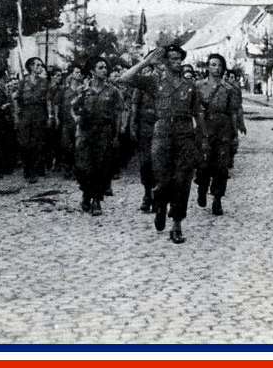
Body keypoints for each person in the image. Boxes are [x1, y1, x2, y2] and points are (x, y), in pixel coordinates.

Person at [119, 43, 207, 244]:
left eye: (179, 59)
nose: (177, 62)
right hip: (162, 132)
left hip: (184, 133)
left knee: (182, 180)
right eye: (173, 59)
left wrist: (203, 139)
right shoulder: (154, 81)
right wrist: (146, 62)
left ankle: (177, 224)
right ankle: (160, 204)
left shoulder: (190, 85)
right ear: (165, 61)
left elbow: (198, 114)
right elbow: (124, 78)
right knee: (162, 179)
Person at [71, 57, 124, 216]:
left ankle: (96, 200)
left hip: (104, 132)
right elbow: (73, 107)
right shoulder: (83, 90)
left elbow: (119, 113)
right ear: (92, 71)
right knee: (83, 167)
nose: (104, 70)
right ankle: (86, 194)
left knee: (101, 167)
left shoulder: (113, 91)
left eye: (105, 67)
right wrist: (76, 118)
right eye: (100, 67)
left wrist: (117, 134)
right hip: (86, 132)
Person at [195, 53, 241, 216]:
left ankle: (217, 199)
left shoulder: (229, 88)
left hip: (223, 128)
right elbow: (194, 109)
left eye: (220, 65)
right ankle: (202, 187)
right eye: (213, 64)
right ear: (208, 67)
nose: (217, 68)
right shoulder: (198, 86)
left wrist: (235, 134)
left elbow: (233, 112)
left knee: (221, 167)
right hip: (204, 127)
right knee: (203, 164)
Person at [13, 57, 48, 183]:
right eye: (38, 65)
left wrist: (50, 116)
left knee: (37, 143)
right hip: (26, 114)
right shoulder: (23, 82)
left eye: (41, 65)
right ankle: (26, 167)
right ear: (31, 67)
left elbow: (48, 100)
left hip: (39, 113)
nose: (40, 68)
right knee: (24, 143)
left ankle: (34, 171)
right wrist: (16, 116)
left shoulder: (44, 82)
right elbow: (16, 98)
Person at [129, 63, 158, 213]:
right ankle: (147, 194)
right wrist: (133, 125)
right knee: (146, 163)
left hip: (161, 127)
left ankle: (157, 196)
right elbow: (134, 108)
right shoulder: (142, 86)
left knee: (159, 163)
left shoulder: (166, 83)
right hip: (145, 127)